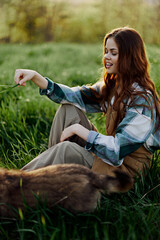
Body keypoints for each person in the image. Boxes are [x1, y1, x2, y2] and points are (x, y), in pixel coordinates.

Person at [14, 27, 160, 181]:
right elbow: (73, 96)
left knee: (66, 149)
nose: (106, 57)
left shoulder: (143, 101)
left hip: (124, 174)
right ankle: (51, 176)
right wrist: (35, 77)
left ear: (129, 57)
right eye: (106, 51)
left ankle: (14, 184)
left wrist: (79, 130)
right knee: (68, 109)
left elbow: (117, 149)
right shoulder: (114, 87)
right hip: (109, 159)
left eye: (113, 53)